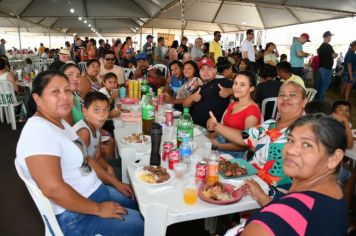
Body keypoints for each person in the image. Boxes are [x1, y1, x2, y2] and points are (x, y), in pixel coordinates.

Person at [16, 71, 144, 235]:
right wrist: (98, 209)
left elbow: (87, 159)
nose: (65, 96)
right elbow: (53, 189)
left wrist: (115, 182)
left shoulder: (60, 123)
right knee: (144, 224)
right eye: (55, 91)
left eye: (67, 90)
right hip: (75, 214)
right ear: (37, 98)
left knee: (138, 201)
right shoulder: (37, 131)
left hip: (94, 192)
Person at [235, 114, 347, 236]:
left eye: (307, 145)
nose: (290, 150)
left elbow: (288, 216)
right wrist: (262, 197)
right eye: (290, 140)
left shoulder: (271, 222)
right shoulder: (334, 194)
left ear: (334, 158)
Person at [208, 81, 307, 188]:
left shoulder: (305, 132)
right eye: (282, 94)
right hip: (250, 182)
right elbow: (244, 137)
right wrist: (217, 126)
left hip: (275, 194)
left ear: (304, 101)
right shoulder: (269, 124)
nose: (286, 98)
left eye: (292, 95)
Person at [210, 71, 261, 158]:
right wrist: (209, 134)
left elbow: (247, 143)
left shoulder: (252, 111)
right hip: (220, 141)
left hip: (234, 154)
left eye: (242, 85)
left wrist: (218, 145)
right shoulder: (233, 104)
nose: (236, 87)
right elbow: (222, 127)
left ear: (251, 88)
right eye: (235, 83)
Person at [72, 92, 117, 176]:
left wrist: (108, 168)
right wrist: (113, 181)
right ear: (84, 111)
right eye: (96, 110)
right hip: (83, 178)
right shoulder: (84, 132)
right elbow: (80, 168)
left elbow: (98, 157)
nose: (102, 115)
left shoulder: (96, 129)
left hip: (92, 171)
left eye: (105, 110)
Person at [183, 57, 233, 128]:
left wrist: (229, 91)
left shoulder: (223, 82)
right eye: (202, 70)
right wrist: (192, 98)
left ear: (215, 70)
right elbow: (185, 105)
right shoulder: (199, 87)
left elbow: (245, 91)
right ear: (199, 73)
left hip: (211, 130)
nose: (205, 72)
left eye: (209, 69)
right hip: (193, 127)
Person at [316, 31, 338, 100]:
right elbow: (333, 56)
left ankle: (317, 100)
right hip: (326, 69)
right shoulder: (328, 46)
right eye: (330, 36)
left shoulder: (321, 46)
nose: (330, 38)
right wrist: (336, 54)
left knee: (319, 85)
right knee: (324, 86)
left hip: (320, 68)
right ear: (327, 37)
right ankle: (320, 102)